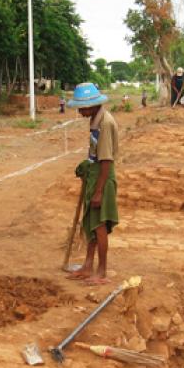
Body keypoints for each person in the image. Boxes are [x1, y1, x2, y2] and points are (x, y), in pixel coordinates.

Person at [66, 82, 119, 286]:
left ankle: (101, 271)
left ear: (92, 105)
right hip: (96, 175)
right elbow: (95, 156)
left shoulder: (105, 124)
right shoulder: (97, 120)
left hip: (103, 179)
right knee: (91, 223)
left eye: (82, 107)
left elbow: (106, 160)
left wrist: (98, 192)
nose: (80, 112)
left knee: (99, 225)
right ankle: (88, 266)